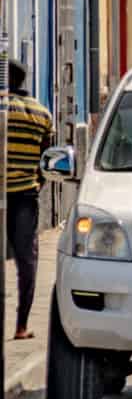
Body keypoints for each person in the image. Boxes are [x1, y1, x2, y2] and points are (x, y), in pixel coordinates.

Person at [5, 56, 52, 341]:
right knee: (27, 261)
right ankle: (21, 326)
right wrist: (36, 182)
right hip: (24, 196)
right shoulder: (41, 113)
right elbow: (46, 161)